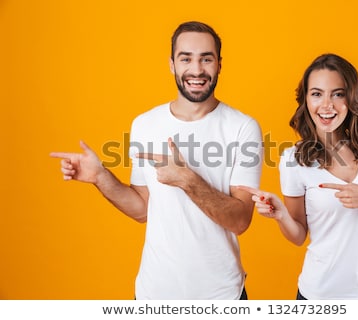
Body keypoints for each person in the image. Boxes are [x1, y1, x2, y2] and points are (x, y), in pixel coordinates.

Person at [50, 21, 263, 299]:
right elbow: (142, 209)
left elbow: (240, 220)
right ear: (172, 64)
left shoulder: (242, 127)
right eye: (186, 58)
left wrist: (188, 180)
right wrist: (101, 177)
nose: (196, 70)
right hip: (155, 292)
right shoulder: (145, 124)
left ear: (219, 64)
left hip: (220, 295)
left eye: (206, 59)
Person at [239, 53, 358, 300]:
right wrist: (280, 215)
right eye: (317, 94)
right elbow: (299, 235)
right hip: (318, 295)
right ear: (306, 101)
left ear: (351, 98)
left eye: (337, 93)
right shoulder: (293, 160)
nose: (326, 105)